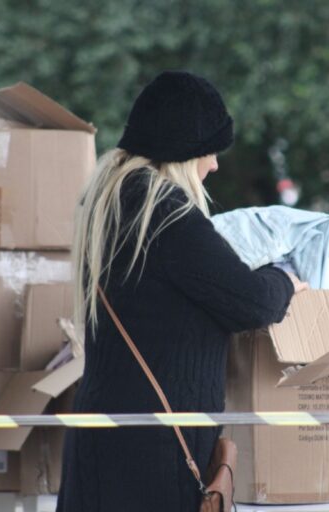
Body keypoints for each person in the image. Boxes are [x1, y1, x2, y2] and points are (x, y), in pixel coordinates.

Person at [56, 70, 307, 512]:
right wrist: (285, 278)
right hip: (152, 455)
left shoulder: (111, 202)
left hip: (104, 438)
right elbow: (252, 302)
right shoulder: (165, 213)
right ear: (184, 151)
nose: (214, 165)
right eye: (210, 150)